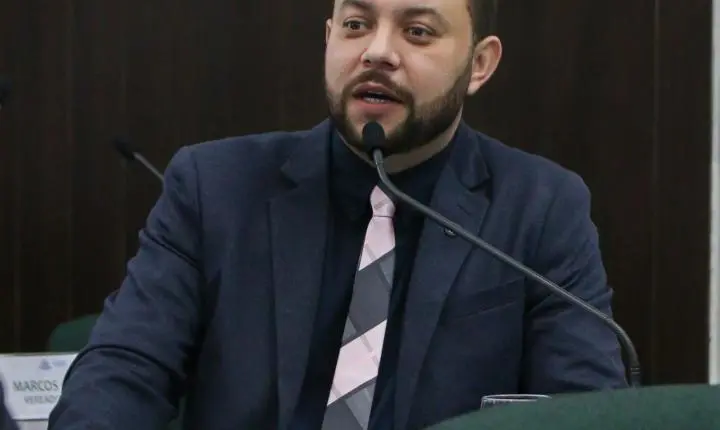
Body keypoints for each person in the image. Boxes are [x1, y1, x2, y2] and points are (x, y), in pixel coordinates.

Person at [49, 0, 628, 428]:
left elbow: (582, 409)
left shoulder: (541, 208)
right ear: (329, 39)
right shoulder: (215, 188)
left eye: (417, 31)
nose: (377, 52)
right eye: (356, 25)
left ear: (479, 64)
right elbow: (123, 370)